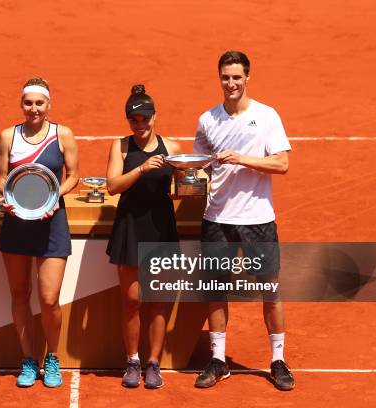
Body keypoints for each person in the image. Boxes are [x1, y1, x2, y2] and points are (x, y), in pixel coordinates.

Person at [192, 51, 294, 391]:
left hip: (257, 219)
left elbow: (281, 164)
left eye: (237, 77)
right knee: (216, 289)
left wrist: (243, 159)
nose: (231, 83)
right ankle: (219, 359)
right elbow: (200, 166)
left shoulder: (267, 116)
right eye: (225, 77)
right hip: (217, 218)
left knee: (270, 290)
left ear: (247, 78)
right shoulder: (207, 120)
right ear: (219, 78)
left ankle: (277, 360)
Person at [0, 78, 79, 388]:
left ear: (49, 105)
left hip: (51, 221)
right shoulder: (7, 137)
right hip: (17, 222)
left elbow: (74, 177)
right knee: (20, 295)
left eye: (39, 103)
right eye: (28, 103)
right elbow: (2, 177)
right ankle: (29, 360)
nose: (34, 109)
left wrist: (54, 197)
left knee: (48, 298)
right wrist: (7, 199)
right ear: (22, 105)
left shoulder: (63, 135)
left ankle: (52, 358)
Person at [106, 85, 182, 389]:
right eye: (134, 120)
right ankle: (133, 361)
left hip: (161, 227)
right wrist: (142, 168)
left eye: (145, 118)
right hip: (131, 227)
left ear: (155, 116)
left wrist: (193, 183)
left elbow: (184, 183)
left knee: (159, 300)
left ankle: (154, 363)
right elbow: (112, 185)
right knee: (131, 300)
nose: (140, 125)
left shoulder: (173, 147)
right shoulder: (121, 147)